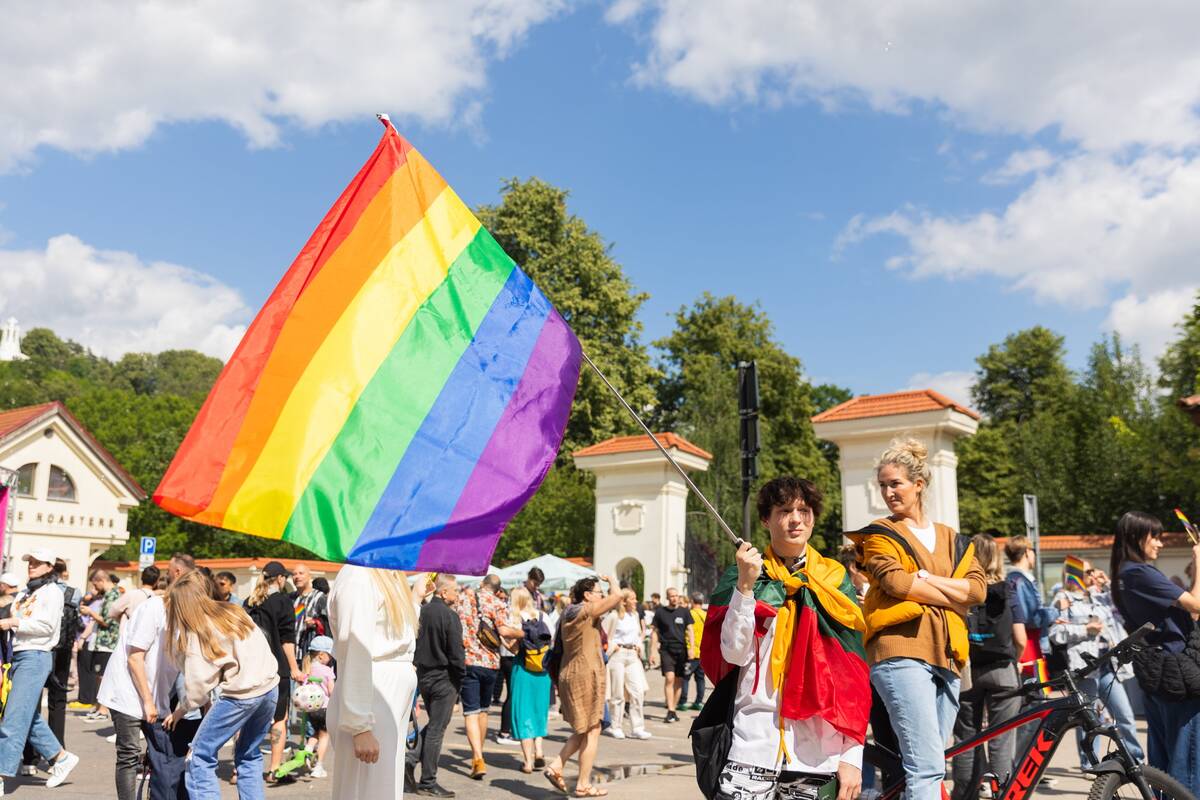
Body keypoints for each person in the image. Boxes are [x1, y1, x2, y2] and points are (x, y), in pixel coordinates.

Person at [699, 476, 867, 800]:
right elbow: (731, 654)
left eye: (804, 510)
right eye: (784, 510)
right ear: (766, 518)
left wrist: (852, 756)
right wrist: (745, 589)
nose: (795, 519)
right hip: (750, 750)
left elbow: (852, 677)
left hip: (819, 757)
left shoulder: (834, 579)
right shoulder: (742, 574)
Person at [849, 438, 986, 800]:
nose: (889, 492)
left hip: (949, 654)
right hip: (900, 652)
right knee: (926, 766)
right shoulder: (880, 534)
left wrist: (927, 581)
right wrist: (952, 593)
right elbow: (895, 581)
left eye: (896, 483)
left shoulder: (952, 538)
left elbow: (978, 591)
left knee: (930, 764)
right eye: (883, 485)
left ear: (918, 484)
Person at [158, 570, 279, 798]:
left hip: (241, 694)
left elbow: (197, 687)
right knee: (249, 753)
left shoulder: (199, 631)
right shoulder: (233, 611)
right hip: (270, 687)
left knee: (199, 756)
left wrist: (181, 710)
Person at [1111, 510, 1200, 792]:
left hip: (1156, 671)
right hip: (1176, 674)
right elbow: (1196, 606)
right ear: (1136, 537)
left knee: (1163, 763)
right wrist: (1199, 563)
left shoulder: (1123, 574)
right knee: (1185, 762)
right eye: (1156, 537)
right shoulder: (1140, 573)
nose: (1160, 544)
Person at [330, 563, 426, 800]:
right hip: (372, 694)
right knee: (365, 791)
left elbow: (396, 634)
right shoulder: (359, 575)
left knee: (383, 789)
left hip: (386, 695)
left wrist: (415, 597)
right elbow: (355, 647)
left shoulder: (390, 575)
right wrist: (359, 726)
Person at [1049, 557, 1143, 767]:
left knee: (1125, 714)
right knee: (1090, 719)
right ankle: (1089, 762)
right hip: (1085, 668)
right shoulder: (1063, 598)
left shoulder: (1099, 597)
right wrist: (1085, 630)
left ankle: (1136, 758)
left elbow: (1119, 610)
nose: (1092, 575)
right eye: (1088, 571)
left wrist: (1108, 582)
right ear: (1074, 574)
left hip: (1107, 664)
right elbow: (1055, 633)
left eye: (1092, 571)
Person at [0, 549, 79, 793]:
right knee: (23, 714)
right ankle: (61, 757)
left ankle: (1, 775)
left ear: (49, 566)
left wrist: (14, 622)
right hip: (19, 656)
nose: (31, 566)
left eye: (36, 563)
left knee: (13, 719)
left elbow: (47, 626)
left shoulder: (53, 592)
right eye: (30, 562)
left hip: (36, 656)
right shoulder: (25, 592)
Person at [950, 534, 1022, 800]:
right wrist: (1016, 658)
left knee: (966, 739)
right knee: (1001, 741)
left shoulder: (961, 589)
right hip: (1002, 670)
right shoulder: (1007, 590)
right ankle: (1003, 794)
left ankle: (963, 794)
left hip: (967, 670)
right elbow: (1021, 638)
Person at [542, 575, 623, 798]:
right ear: (587, 595)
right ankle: (581, 782)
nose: (602, 596)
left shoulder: (570, 612)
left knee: (586, 729)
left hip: (574, 672)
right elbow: (617, 596)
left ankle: (561, 768)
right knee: (593, 729)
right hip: (584, 674)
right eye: (599, 592)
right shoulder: (583, 611)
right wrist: (613, 581)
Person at [455, 574, 522, 780]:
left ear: (482, 584)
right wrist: (522, 633)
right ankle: (479, 754)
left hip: (468, 660)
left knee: (471, 712)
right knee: (483, 711)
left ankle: (477, 757)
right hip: (491, 663)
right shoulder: (499, 603)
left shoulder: (465, 597)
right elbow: (503, 630)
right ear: (498, 589)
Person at [406, 573, 465, 798]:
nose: (457, 594)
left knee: (434, 725)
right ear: (443, 592)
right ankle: (428, 781)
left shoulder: (422, 612)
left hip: (425, 675)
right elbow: (456, 654)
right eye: (455, 591)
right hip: (443, 677)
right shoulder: (449, 616)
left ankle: (410, 761)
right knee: (437, 730)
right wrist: (460, 678)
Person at [244, 560, 303, 780]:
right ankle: (274, 770)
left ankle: (238, 769)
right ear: (280, 579)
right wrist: (295, 668)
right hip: (277, 668)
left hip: (251, 668)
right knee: (279, 719)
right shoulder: (283, 601)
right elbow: (287, 639)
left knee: (248, 717)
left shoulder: (248, 603)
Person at [508, 586, 553, 772]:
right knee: (539, 711)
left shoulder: (515, 620)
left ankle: (528, 762)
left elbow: (514, 649)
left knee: (523, 713)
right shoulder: (543, 616)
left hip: (523, 670)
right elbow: (553, 640)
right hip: (543, 671)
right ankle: (540, 751)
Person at [604, 588, 651, 740]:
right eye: (632, 598)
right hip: (618, 655)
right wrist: (613, 646)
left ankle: (637, 727)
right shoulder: (614, 616)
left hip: (632, 655)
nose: (636, 601)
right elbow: (603, 635)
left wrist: (638, 645)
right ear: (623, 601)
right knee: (617, 693)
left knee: (638, 691)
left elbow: (638, 634)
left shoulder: (635, 615)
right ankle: (615, 725)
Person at [650, 587, 688, 722]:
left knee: (679, 681)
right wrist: (652, 652)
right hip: (666, 650)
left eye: (676, 596)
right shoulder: (660, 612)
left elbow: (690, 630)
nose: (674, 598)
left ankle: (674, 708)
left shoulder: (684, 612)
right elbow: (654, 632)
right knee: (670, 678)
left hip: (682, 650)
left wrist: (693, 650)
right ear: (667, 597)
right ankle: (670, 710)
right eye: (672, 596)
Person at [302, 635, 336, 779]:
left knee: (316, 733)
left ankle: (308, 749)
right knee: (324, 736)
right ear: (322, 655)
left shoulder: (308, 669)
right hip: (325, 708)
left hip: (312, 708)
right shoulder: (327, 671)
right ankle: (319, 766)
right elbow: (331, 691)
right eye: (330, 655)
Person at [290, 563, 329, 656]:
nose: (297, 576)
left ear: (309, 576)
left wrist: (316, 622)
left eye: (301, 573)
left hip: (311, 652)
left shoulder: (319, 597)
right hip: (292, 653)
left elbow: (329, 622)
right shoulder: (290, 598)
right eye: (294, 574)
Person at [681, 591, 707, 712]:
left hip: (691, 651)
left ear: (692, 601)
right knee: (700, 678)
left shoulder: (689, 614)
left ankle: (683, 701)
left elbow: (686, 633)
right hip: (703, 652)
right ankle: (698, 701)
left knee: (685, 677)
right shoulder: (706, 615)